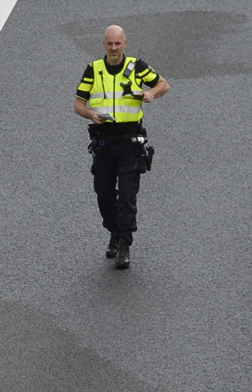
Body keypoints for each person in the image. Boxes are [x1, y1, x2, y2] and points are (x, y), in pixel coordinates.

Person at [74, 25, 168, 270]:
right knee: (103, 193)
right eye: (109, 44)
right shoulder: (93, 70)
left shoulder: (137, 67)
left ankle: (124, 244)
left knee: (127, 196)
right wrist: (90, 114)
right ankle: (114, 232)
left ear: (125, 43)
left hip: (129, 143)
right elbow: (78, 104)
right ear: (104, 44)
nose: (114, 48)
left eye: (118, 44)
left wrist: (151, 94)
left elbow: (163, 85)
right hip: (104, 144)